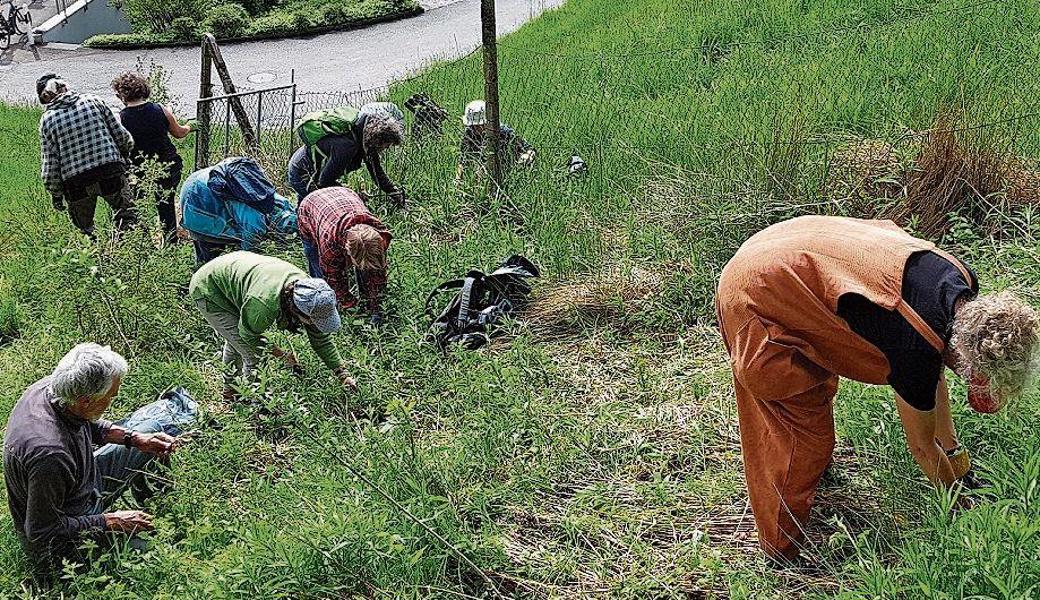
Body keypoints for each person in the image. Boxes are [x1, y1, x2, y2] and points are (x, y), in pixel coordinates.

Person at [715, 215, 1040, 561]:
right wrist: (962, 507)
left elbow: (932, 377)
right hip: (757, 291)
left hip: (797, 248)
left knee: (817, 384)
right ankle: (781, 551)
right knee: (804, 437)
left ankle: (814, 483)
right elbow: (922, 446)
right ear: (970, 362)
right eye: (980, 378)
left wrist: (960, 463)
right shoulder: (914, 348)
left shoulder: (961, 286)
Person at [3, 343, 184, 572]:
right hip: (63, 540)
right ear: (86, 400)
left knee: (151, 431)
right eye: (110, 396)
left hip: (81, 486)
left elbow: (85, 422)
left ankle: (155, 498)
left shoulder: (52, 389)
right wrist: (110, 521)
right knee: (156, 555)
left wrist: (135, 439)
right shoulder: (50, 455)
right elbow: (42, 531)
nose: (113, 400)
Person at [189, 251, 357, 397]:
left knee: (235, 343)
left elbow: (321, 340)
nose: (315, 324)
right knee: (252, 354)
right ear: (298, 311)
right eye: (313, 320)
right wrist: (282, 355)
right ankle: (256, 405)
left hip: (237, 274)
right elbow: (249, 335)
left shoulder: (311, 292)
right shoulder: (264, 304)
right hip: (210, 288)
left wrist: (342, 373)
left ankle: (230, 391)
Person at [37, 73, 138, 238]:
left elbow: (50, 167)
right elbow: (122, 136)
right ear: (65, 86)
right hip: (110, 172)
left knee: (85, 230)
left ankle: (95, 257)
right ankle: (128, 251)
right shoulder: (93, 101)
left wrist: (56, 195)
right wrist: (125, 158)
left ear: (47, 97)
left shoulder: (47, 121)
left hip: (77, 184)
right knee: (127, 216)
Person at [111, 71, 192, 244]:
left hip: (138, 171)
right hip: (167, 166)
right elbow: (179, 133)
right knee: (166, 205)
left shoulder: (120, 119)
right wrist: (189, 126)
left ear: (121, 95)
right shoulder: (160, 109)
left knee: (137, 207)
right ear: (144, 90)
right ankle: (171, 243)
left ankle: (142, 244)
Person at [179, 157, 298, 267]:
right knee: (209, 259)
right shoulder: (254, 223)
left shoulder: (280, 202)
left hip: (199, 179)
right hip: (198, 202)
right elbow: (246, 257)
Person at [297, 186, 391, 322]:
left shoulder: (378, 234)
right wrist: (353, 308)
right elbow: (335, 279)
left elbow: (377, 273)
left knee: (369, 269)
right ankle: (322, 308)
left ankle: (368, 301)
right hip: (310, 208)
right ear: (347, 251)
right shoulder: (329, 245)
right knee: (319, 271)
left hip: (344, 195)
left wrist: (377, 308)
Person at [287, 105, 406, 206]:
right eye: (387, 145)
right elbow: (325, 182)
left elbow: (377, 174)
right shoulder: (347, 147)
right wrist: (353, 195)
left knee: (304, 209)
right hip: (302, 173)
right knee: (319, 209)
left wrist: (397, 196)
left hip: (309, 167)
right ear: (379, 140)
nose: (386, 149)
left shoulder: (365, 137)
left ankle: (296, 228)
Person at [456, 99, 535, 182]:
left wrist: (527, 156)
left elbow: (528, 148)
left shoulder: (503, 132)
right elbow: (463, 160)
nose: (476, 128)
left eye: (480, 125)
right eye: (474, 126)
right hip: (483, 167)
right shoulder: (469, 133)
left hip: (507, 166)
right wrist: (458, 180)